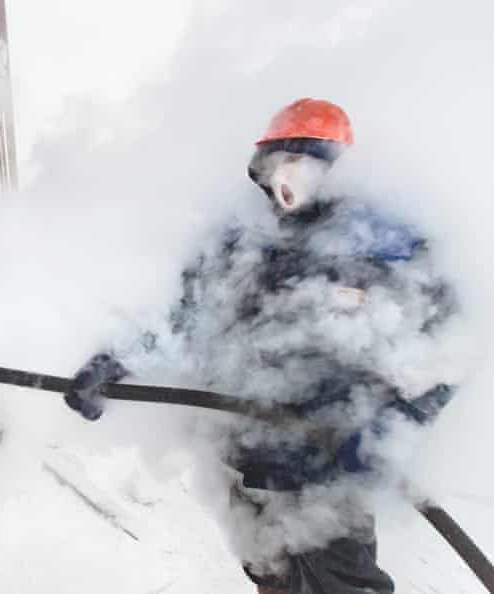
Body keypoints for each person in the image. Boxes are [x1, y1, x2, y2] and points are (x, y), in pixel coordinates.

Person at [63, 98, 456, 594]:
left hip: (329, 459)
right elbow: (185, 312)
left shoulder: (385, 240)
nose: (283, 177)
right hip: (248, 454)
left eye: (299, 160)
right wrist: (116, 360)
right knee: (270, 576)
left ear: (336, 166)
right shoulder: (242, 241)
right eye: (274, 163)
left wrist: (392, 428)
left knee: (344, 584)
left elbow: (450, 344)